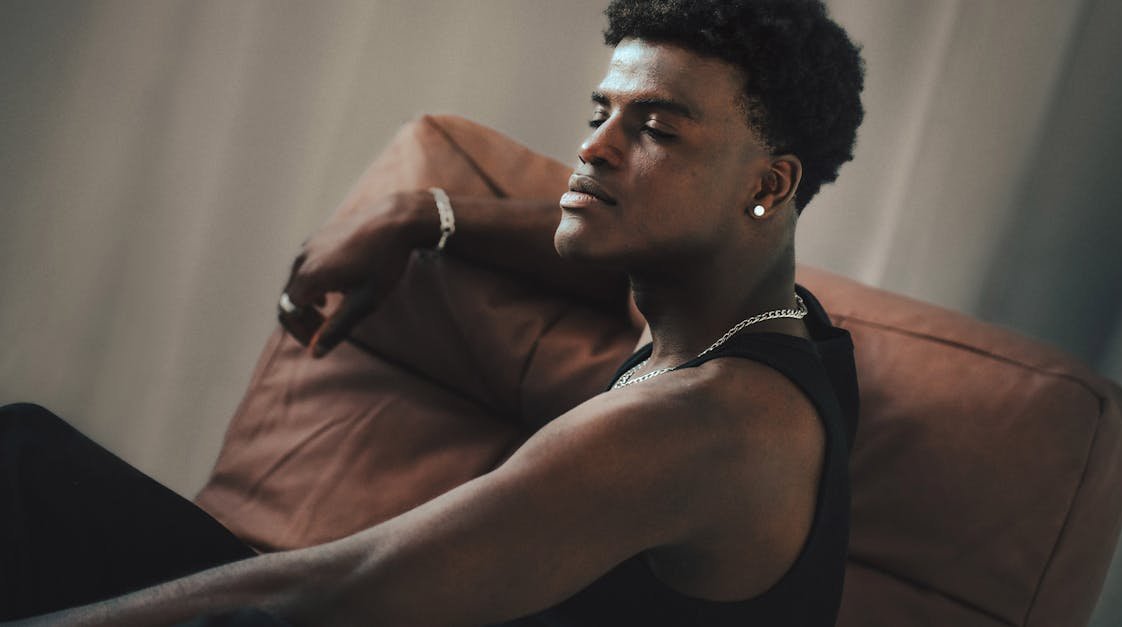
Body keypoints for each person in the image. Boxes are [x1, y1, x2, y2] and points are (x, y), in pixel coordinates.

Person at [1, 0, 864, 625]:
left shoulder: (696, 426)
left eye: (656, 131)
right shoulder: (772, 324)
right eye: (600, 112)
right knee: (26, 455)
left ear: (767, 184)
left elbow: (337, 590)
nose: (593, 147)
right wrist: (419, 216)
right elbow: (608, 246)